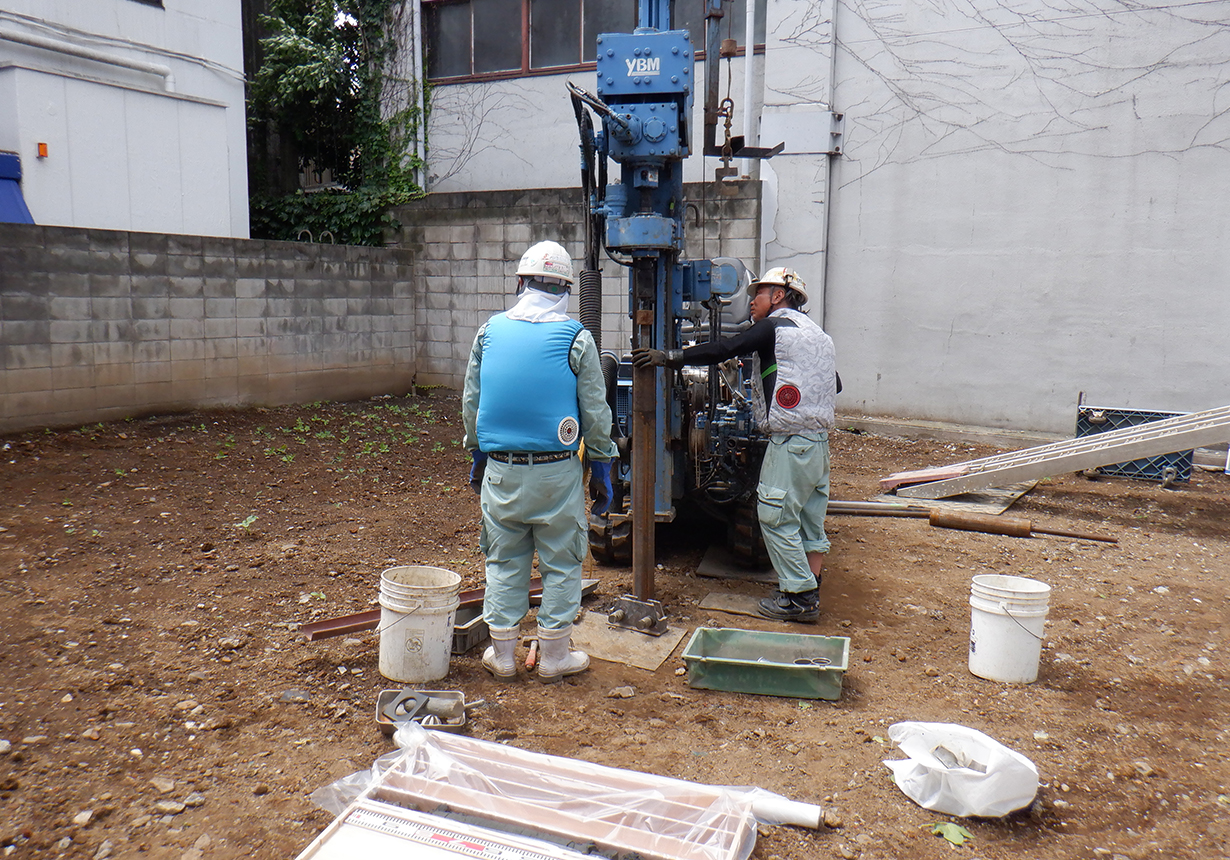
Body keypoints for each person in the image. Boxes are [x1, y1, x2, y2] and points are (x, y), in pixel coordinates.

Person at [631, 267, 839, 622]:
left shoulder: (774, 328)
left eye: (758, 295)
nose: (751, 302)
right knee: (809, 522)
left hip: (789, 444)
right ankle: (812, 586)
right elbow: (834, 384)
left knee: (774, 517)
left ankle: (798, 598)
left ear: (778, 296)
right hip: (818, 445)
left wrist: (669, 357)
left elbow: (726, 348)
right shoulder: (819, 336)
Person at [462, 240, 617, 682]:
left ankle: (504, 658)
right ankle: (553, 659)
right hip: (557, 473)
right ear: (565, 288)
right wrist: (603, 467)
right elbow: (596, 409)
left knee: (504, 560)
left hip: (502, 471)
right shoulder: (576, 337)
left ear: (520, 282)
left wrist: (477, 452)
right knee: (562, 562)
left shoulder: (488, 332)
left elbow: (471, 402)